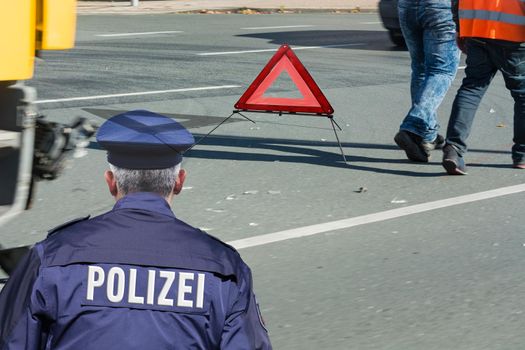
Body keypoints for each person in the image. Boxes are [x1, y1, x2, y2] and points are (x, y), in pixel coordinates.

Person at [0, 110, 272, 349]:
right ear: (178, 181)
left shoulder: (52, 257)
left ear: (111, 182)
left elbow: (11, 339)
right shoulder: (224, 267)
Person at [442, 0, 525, 175]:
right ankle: (522, 155)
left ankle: (453, 148)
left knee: (472, 88)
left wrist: (459, 27)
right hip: (512, 34)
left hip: (476, 31)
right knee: (522, 95)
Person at [394, 0, 461, 162]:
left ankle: (427, 133)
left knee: (421, 69)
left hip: (407, 6)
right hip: (441, 8)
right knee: (442, 70)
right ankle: (414, 125)